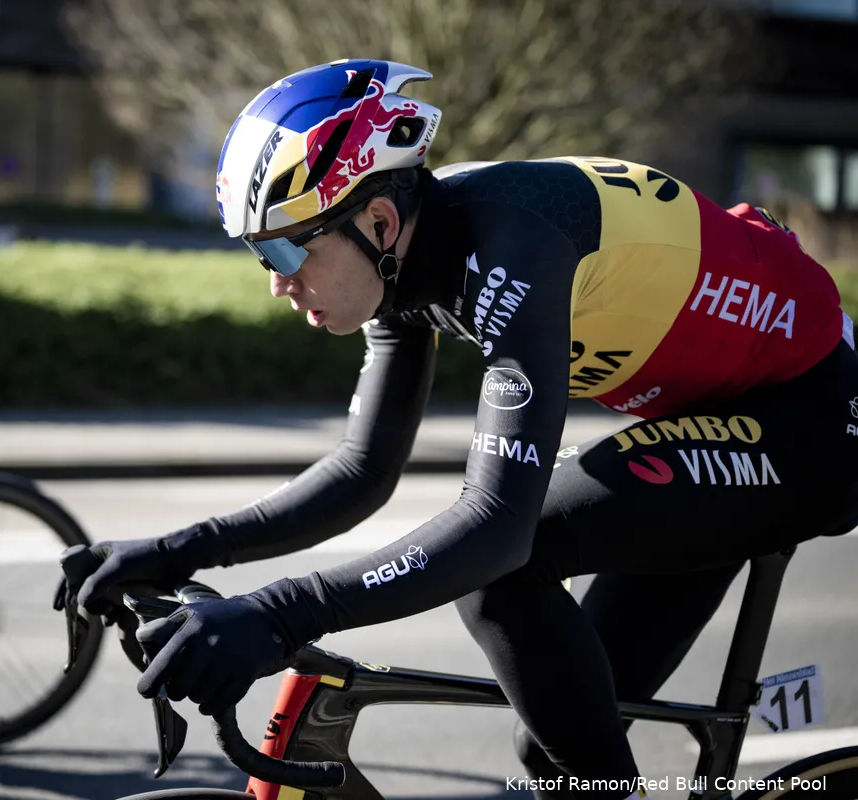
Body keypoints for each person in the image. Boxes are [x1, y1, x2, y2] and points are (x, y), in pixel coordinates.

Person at [57, 59, 858, 798]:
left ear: (375, 218)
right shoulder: (406, 260)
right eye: (256, 255)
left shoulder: (514, 244)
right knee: (557, 752)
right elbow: (364, 471)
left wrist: (279, 614)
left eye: (281, 249)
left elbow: (495, 528)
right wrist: (176, 550)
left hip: (815, 416)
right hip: (709, 418)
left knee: (504, 576)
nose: (276, 284)